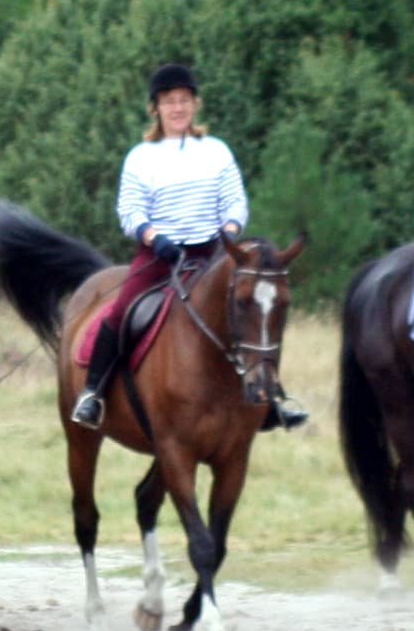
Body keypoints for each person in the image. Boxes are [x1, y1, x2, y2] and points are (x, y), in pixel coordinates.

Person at [73, 62, 307, 431]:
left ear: (195, 104)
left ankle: (271, 400)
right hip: (159, 254)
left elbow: (235, 202)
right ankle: (93, 393)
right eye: (169, 101)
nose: (177, 108)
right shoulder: (141, 156)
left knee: (254, 314)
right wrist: (154, 238)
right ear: (156, 108)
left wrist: (229, 232)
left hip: (214, 253)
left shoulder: (216, 151)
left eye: (184, 100)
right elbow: (130, 210)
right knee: (122, 313)